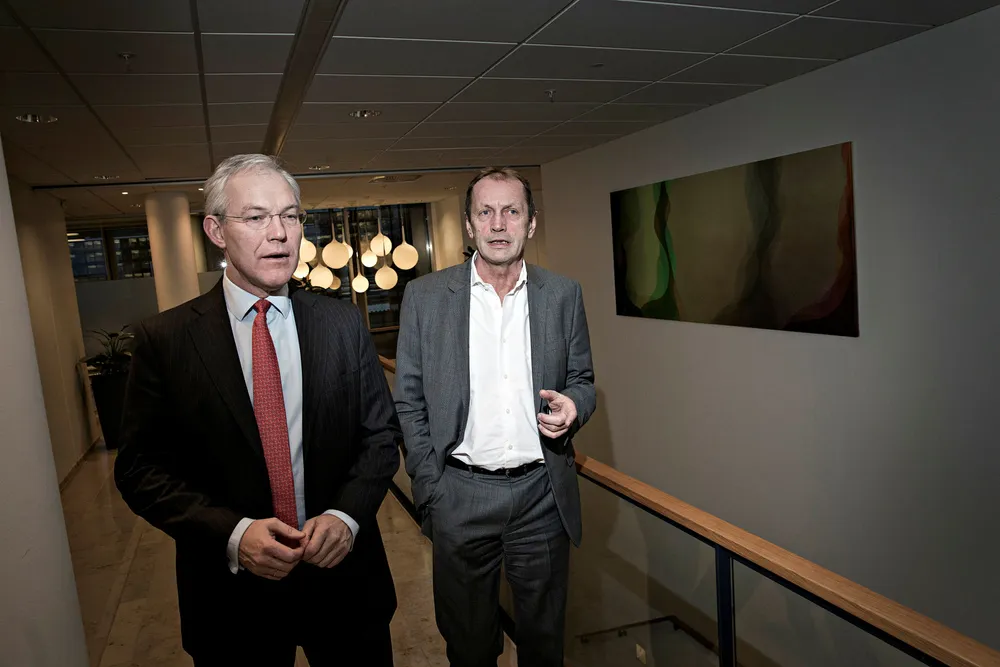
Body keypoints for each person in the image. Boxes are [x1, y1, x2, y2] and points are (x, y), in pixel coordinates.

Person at [114, 154, 400, 666]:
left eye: (290, 215)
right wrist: (233, 534)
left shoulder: (341, 323)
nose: (280, 233)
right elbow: (140, 471)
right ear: (216, 231)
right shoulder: (166, 340)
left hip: (344, 588)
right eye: (256, 217)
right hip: (232, 601)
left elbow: (379, 437)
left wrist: (346, 516)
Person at [394, 167, 596, 667]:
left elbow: (583, 380)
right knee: (469, 647)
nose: (498, 223)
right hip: (459, 496)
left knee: (544, 646)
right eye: (485, 212)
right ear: (469, 224)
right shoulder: (425, 297)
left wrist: (575, 406)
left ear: (531, 222)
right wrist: (431, 488)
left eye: (512, 211)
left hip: (541, 497)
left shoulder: (563, 294)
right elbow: (408, 401)